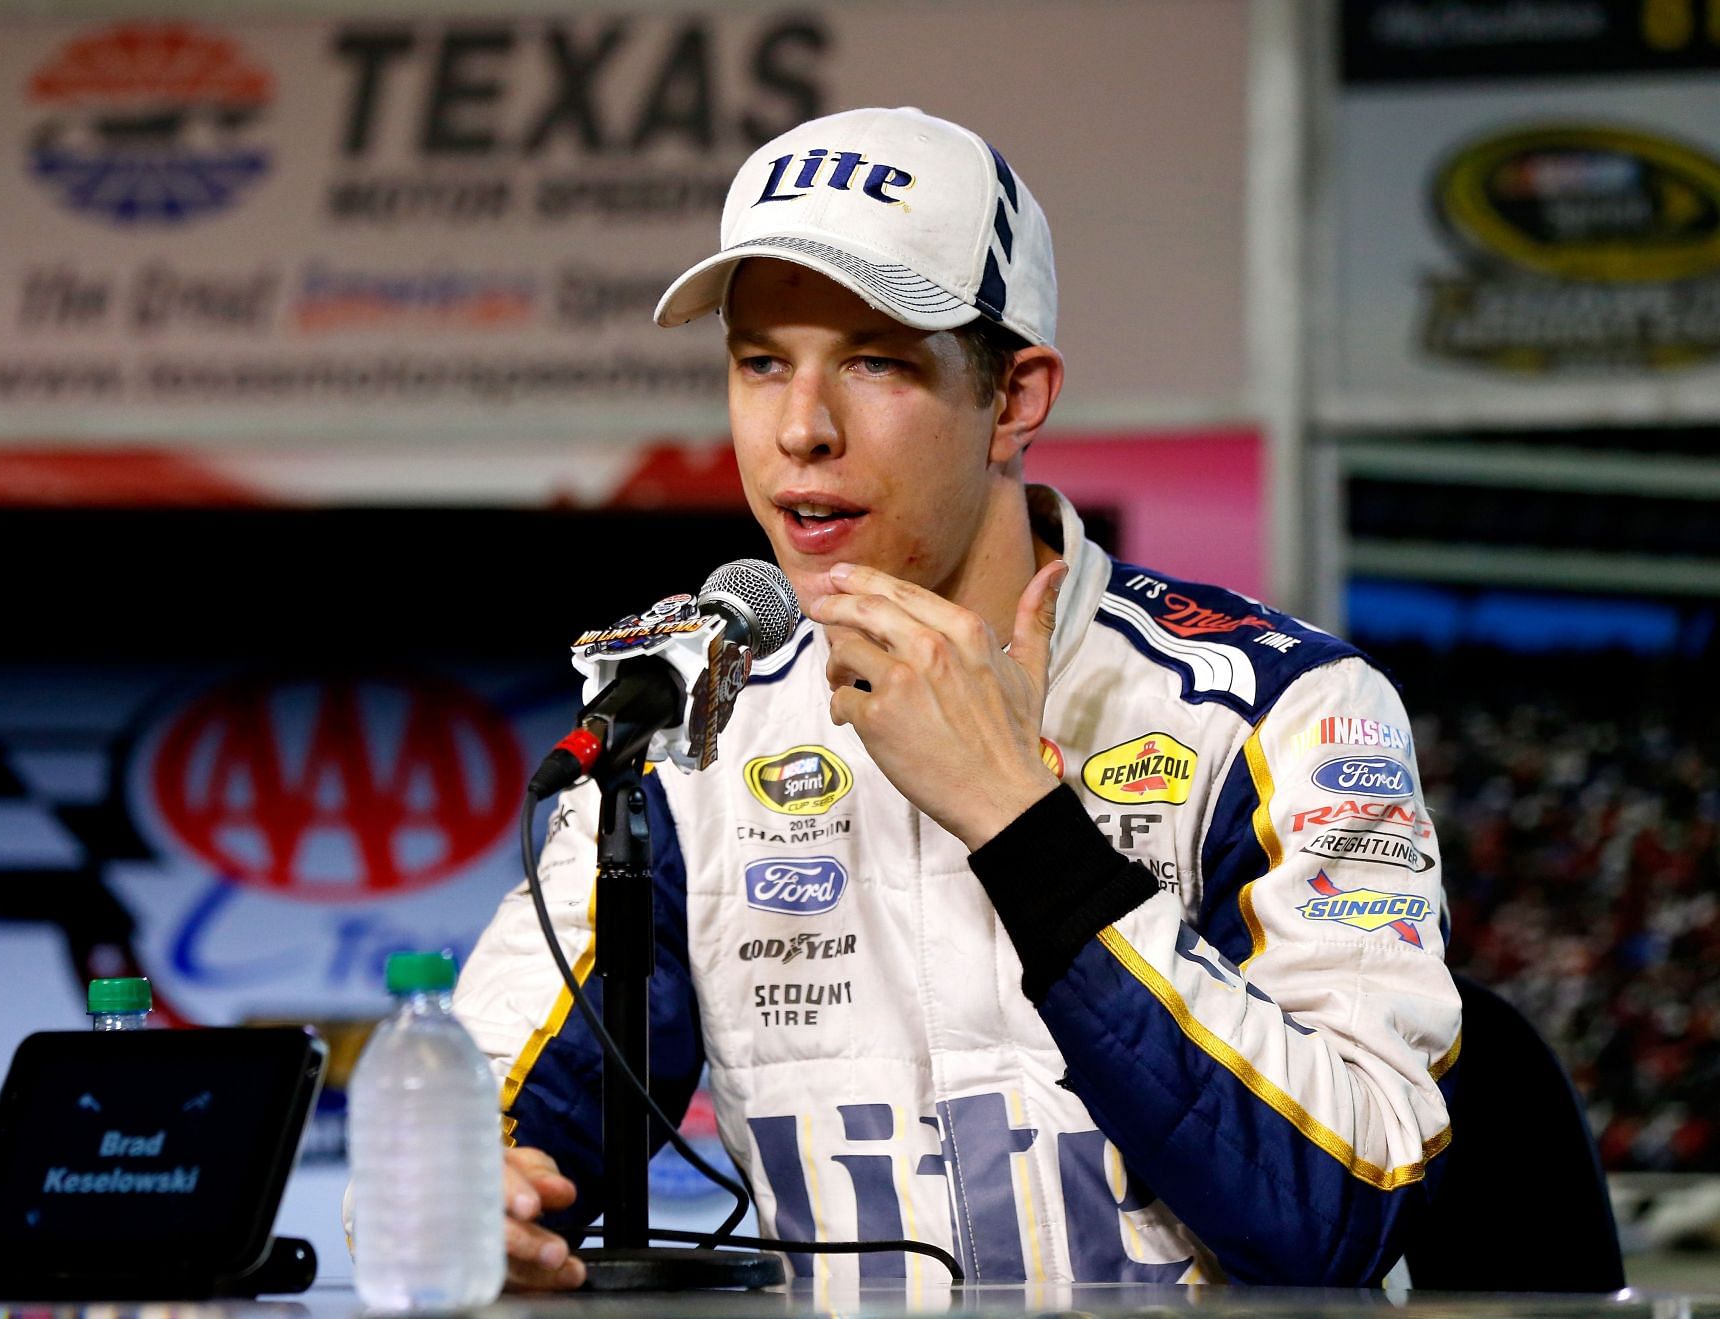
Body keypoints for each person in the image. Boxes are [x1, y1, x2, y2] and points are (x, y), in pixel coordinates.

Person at [455, 105, 1460, 1289]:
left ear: (1016, 396)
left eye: (875, 360)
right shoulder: (684, 730)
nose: (800, 430)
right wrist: (479, 1190)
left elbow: (1340, 1213)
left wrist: (1022, 822)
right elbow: (501, 1131)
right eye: (760, 361)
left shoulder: (1291, 704)